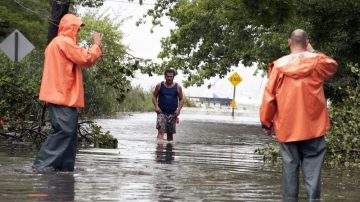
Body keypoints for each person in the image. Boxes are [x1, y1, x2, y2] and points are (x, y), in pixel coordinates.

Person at [259, 29, 338, 201]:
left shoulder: (279, 66)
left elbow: (269, 97)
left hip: (287, 127)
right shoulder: (318, 62)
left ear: (289, 41)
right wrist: (313, 51)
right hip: (313, 127)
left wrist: (266, 123)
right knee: (313, 171)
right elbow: (333, 64)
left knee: (289, 169)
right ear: (306, 42)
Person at [32, 13, 103, 172]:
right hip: (61, 96)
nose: (78, 32)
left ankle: (65, 170)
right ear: (70, 28)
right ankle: (41, 166)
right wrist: (96, 45)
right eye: (77, 29)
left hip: (62, 96)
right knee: (64, 132)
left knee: (69, 135)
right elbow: (86, 58)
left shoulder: (55, 43)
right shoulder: (64, 42)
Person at [152, 68, 184, 142]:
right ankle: (159, 151)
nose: (169, 78)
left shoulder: (178, 87)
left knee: (170, 134)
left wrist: (178, 110)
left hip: (172, 113)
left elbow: (181, 99)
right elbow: (154, 96)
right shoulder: (159, 85)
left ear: (173, 77)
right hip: (161, 112)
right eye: (168, 76)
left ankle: (169, 151)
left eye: (171, 76)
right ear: (165, 77)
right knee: (161, 131)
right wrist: (156, 106)